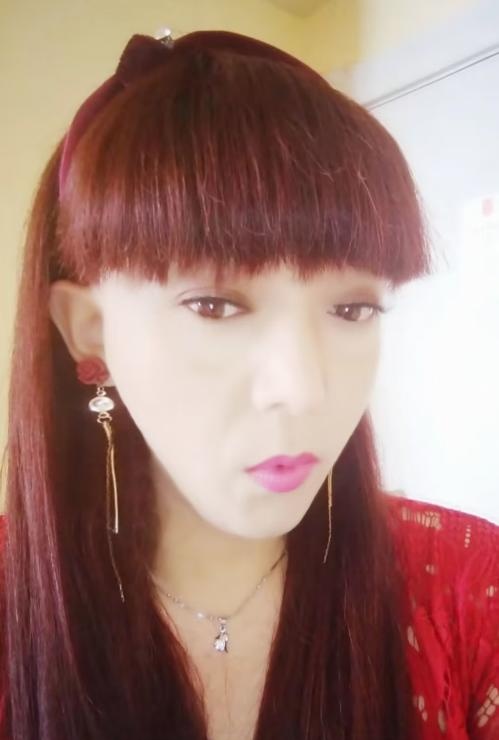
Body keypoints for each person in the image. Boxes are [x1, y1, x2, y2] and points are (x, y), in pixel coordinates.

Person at [0, 26, 497, 740]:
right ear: (90, 329)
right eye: (214, 305)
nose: (303, 390)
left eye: (352, 309)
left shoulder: (469, 587)